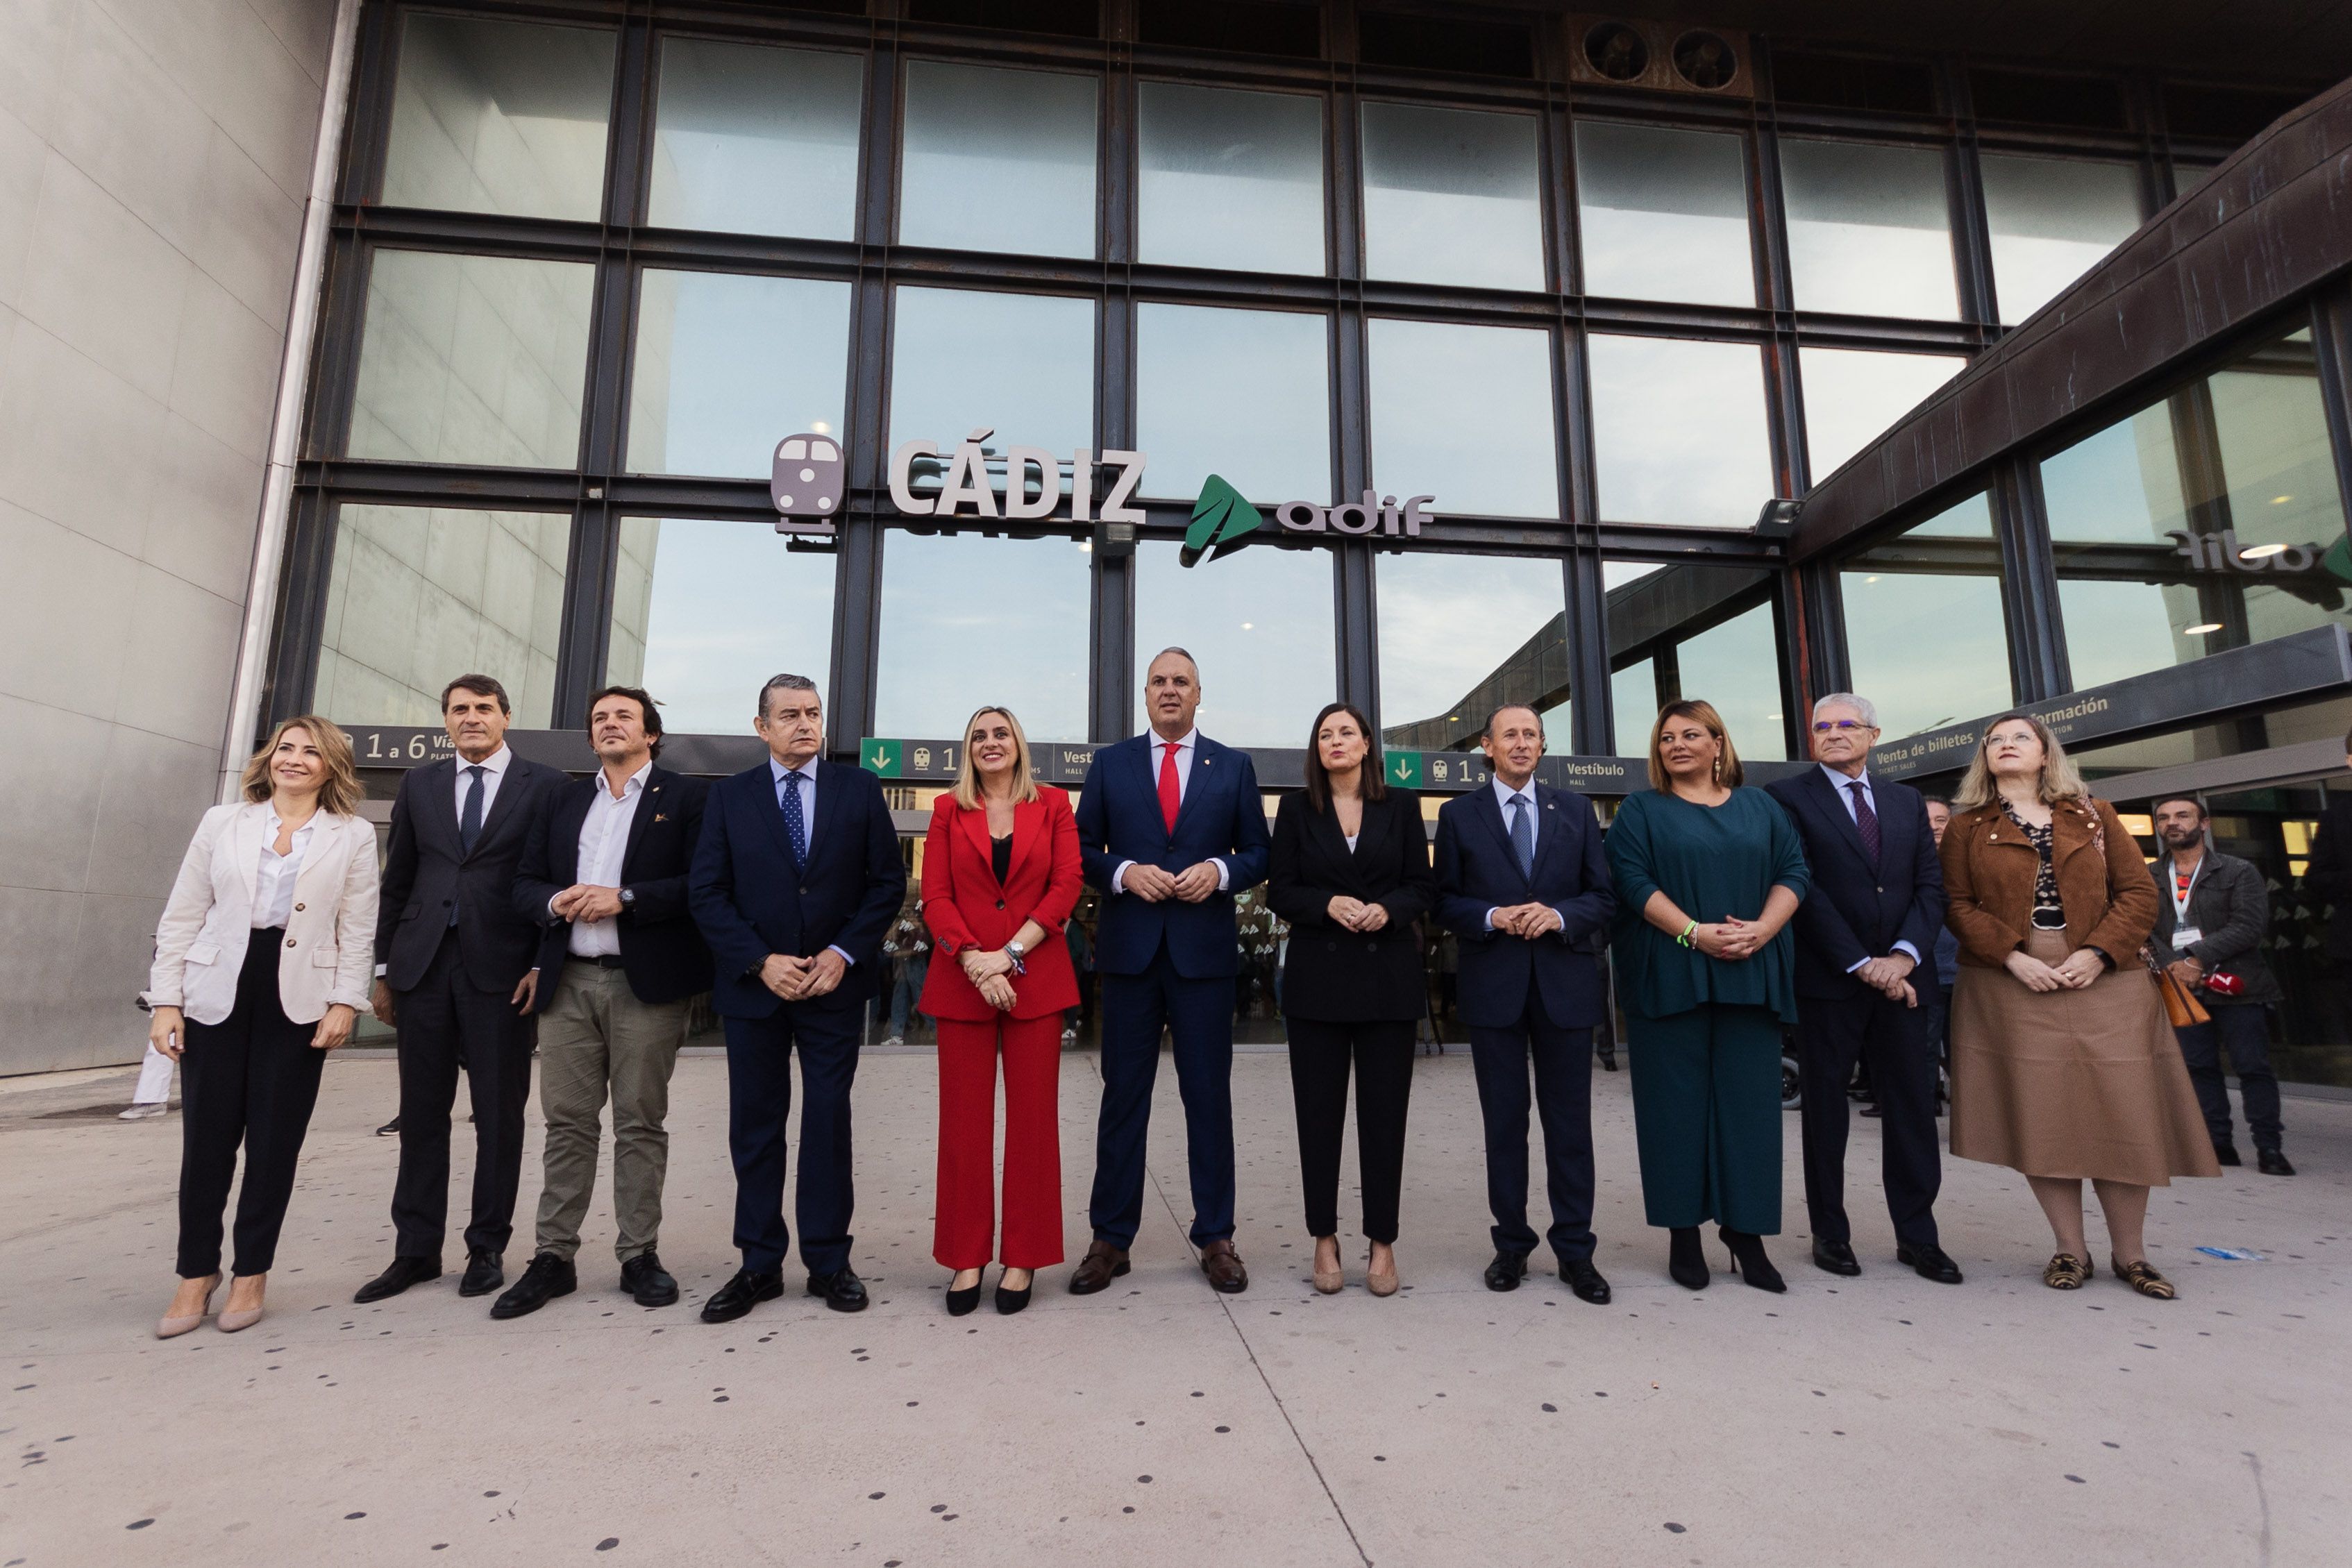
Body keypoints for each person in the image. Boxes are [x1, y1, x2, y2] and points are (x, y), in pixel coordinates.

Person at [1940, 715, 2219, 1299]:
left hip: (2105, 979)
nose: (2006, 745)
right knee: (2043, 1117)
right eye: (1995, 740)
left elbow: (2139, 894)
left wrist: (2097, 952)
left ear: (2046, 754)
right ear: (1984, 757)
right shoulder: (1967, 827)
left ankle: (2132, 1256)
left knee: (2122, 1112)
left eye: (2020, 737)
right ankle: (2070, 1249)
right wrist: (2013, 957)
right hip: (2012, 981)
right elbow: (1957, 905)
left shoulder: (2094, 813)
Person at [142, 718, 378, 1337]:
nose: (293, 760)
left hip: (299, 996)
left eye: (309, 752)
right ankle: (196, 1274)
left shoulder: (352, 835)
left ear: (330, 766)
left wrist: (346, 1001)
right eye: (285, 749)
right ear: (268, 758)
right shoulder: (224, 822)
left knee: (274, 1146)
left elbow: (357, 927)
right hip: (217, 988)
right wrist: (166, 999)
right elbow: (183, 913)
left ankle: (251, 1272)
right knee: (207, 1144)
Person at [490, 686, 714, 1321]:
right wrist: (557, 903)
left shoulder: (688, 797)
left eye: (623, 716)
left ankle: (638, 1253)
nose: (610, 725)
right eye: (599, 719)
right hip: (567, 983)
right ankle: (553, 1257)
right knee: (567, 1124)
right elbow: (525, 883)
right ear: (590, 737)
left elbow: (702, 883)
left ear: (651, 733)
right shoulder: (564, 799)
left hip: (643, 984)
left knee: (640, 1124)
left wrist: (627, 897)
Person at [689, 673, 905, 1322]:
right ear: (762, 727)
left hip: (832, 989)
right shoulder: (729, 798)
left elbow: (885, 885)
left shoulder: (860, 790)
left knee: (827, 1123)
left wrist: (842, 953)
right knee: (756, 1128)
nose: (805, 724)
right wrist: (760, 960)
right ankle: (758, 1264)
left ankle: (829, 1262)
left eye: (813, 713)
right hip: (756, 990)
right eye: (789, 715)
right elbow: (707, 893)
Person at [357, 676, 566, 1306]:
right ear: (446, 720)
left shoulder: (549, 785)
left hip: (501, 971)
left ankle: (486, 1246)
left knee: (499, 1116)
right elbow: (399, 879)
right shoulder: (420, 785)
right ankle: (416, 1250)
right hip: (422, 966)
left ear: (506, 714)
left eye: (482, 708)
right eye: (458, 710)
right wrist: (385, 967)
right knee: (421, 1115)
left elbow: (554, 880)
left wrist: (539, 963)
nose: (470, 718)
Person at [1070, 648, 1272, 1296]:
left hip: (1203, 959)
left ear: (1197, 693)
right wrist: (1126, 873)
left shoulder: (1233, 767)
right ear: (1145, 694)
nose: (1168, 690)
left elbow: (1259, 852)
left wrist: (1220, 872)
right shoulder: (1110, 765)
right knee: (1122, 1098)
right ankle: (1111, 1237)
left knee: (1207, 1099)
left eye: (1180, 681)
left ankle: (1216, 1235)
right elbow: (1080, 850)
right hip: (1131, 956)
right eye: (1158, 681)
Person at [1606, 700, 1809, 1294]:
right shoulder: (1641, 810)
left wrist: (1763, 929)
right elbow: (1632, 880)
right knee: (1673, 1111)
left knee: (1750, 1111)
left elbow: (1794, 871)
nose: (1677, 745)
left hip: (1750, 969)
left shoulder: (1760, 806)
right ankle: (1683, 1234)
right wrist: (1694, 932)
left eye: (1691, 734)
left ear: (1719, 743)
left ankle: (1746, 1234)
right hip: (1671, 974)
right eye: (1666, 737)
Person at [1764, 694, 1961, 1285]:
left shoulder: (1904, 802)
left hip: (1905, 982)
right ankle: (1831, 1233)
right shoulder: (1786, 799)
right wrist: (1858, 961)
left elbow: (1931, 887)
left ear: (1874, 734)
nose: (1832, 734)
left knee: (1912, 1110)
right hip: (1831, 980)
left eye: (1846, 725)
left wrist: (1902, 957)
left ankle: (1918, 1237)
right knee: (1826, 1114)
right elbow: (1801, 887)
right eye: (1821, 726)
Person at [1434, 704, 1618, 1302]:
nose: (1520, 743)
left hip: (1565, 987)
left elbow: (1603, 896)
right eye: (1508, 734)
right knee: (1505, 1127)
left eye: (1530, 734)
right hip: (1496, 990)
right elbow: (1443, 902)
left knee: (1570, 1129)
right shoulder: (1461, 815)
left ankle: (1576, 1252)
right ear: (1487, 746)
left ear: (1542, 745)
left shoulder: (1577, 811)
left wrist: (1559, 914)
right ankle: (1511, 1245)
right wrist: (1492, 915)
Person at [918, 707, 1084, 1315]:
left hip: (1033, 980)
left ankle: (1023, 1256)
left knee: (1034, 1125)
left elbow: (1066, 884)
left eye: (1001, 733)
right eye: (979, 736)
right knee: (963, 1126)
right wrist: (972, 961)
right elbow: (934, 894)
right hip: (963, 985)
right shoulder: (945, 811)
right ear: (969, 750)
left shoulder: (1055, 805)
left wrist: (1007, 955)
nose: (991, 743)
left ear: (1019, 745)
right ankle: (966, 1256)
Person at [1268, 702, 1436, 1297]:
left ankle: (1383, 1241)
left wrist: (1389, 908)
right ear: (1317, 750)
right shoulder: (1295, 808)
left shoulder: (1403, 806)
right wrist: (1327, 905)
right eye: (1324, 734)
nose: (1335, 741)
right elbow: (1280, 888)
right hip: (1318, 984)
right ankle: (1323, 1236)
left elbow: (1422, 884)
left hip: (1387, 980)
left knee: (1384, 1119)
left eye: (1346, 732)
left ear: (1367, 745)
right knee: (1319, 1118)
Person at [2147, 795, 2293, 1174]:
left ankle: (2269, 1149)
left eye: (2182, 815)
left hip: (2238, 985)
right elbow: (2141, 930)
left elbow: (2249, 926)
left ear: (2205, 824)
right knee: (2198, 1068)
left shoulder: (2237, 871)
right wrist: (2175, 966)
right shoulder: (2146, 877)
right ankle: (2218, 1145)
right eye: (2163, 818)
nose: (2172, 823)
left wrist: (2196, 958)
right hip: (2180, 988)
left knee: (2253, 1068)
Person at [1921, 796, 1960, 1106]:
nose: (1933, 827)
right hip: (1926, 970)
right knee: (1925, 1046)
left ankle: (1970, 1113)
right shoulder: (1908, 864)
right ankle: (1928, 1103)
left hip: (1965, 971)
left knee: (1964, 1047)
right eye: (1927, 820)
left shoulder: (1967, 860)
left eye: (1941, 820)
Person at [880, 888, 930, 1047]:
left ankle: (938, 1029)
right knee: (900, 996)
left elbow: (924, 942)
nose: (907, 910)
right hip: (904, 961)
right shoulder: (903, 922)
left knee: (921, 996)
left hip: (915, 961)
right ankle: (897, 1034)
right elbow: (890, 938)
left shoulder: (921, 920)